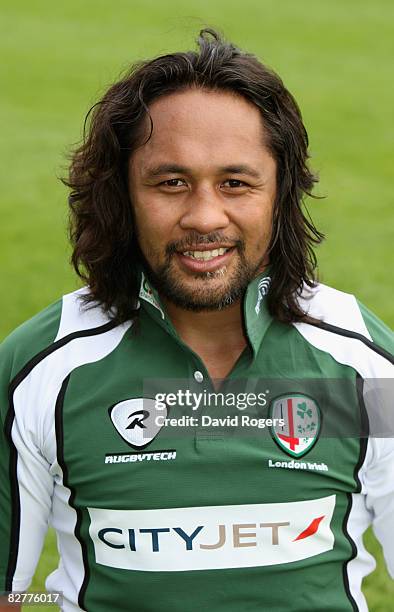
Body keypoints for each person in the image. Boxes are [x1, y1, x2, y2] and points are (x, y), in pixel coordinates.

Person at [0, 28, 393, 612]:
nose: (204, 216)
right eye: (171, 183)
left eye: (235, 183)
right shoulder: (43, 368)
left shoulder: (361, 365)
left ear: (281, 194)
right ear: (122, 195)